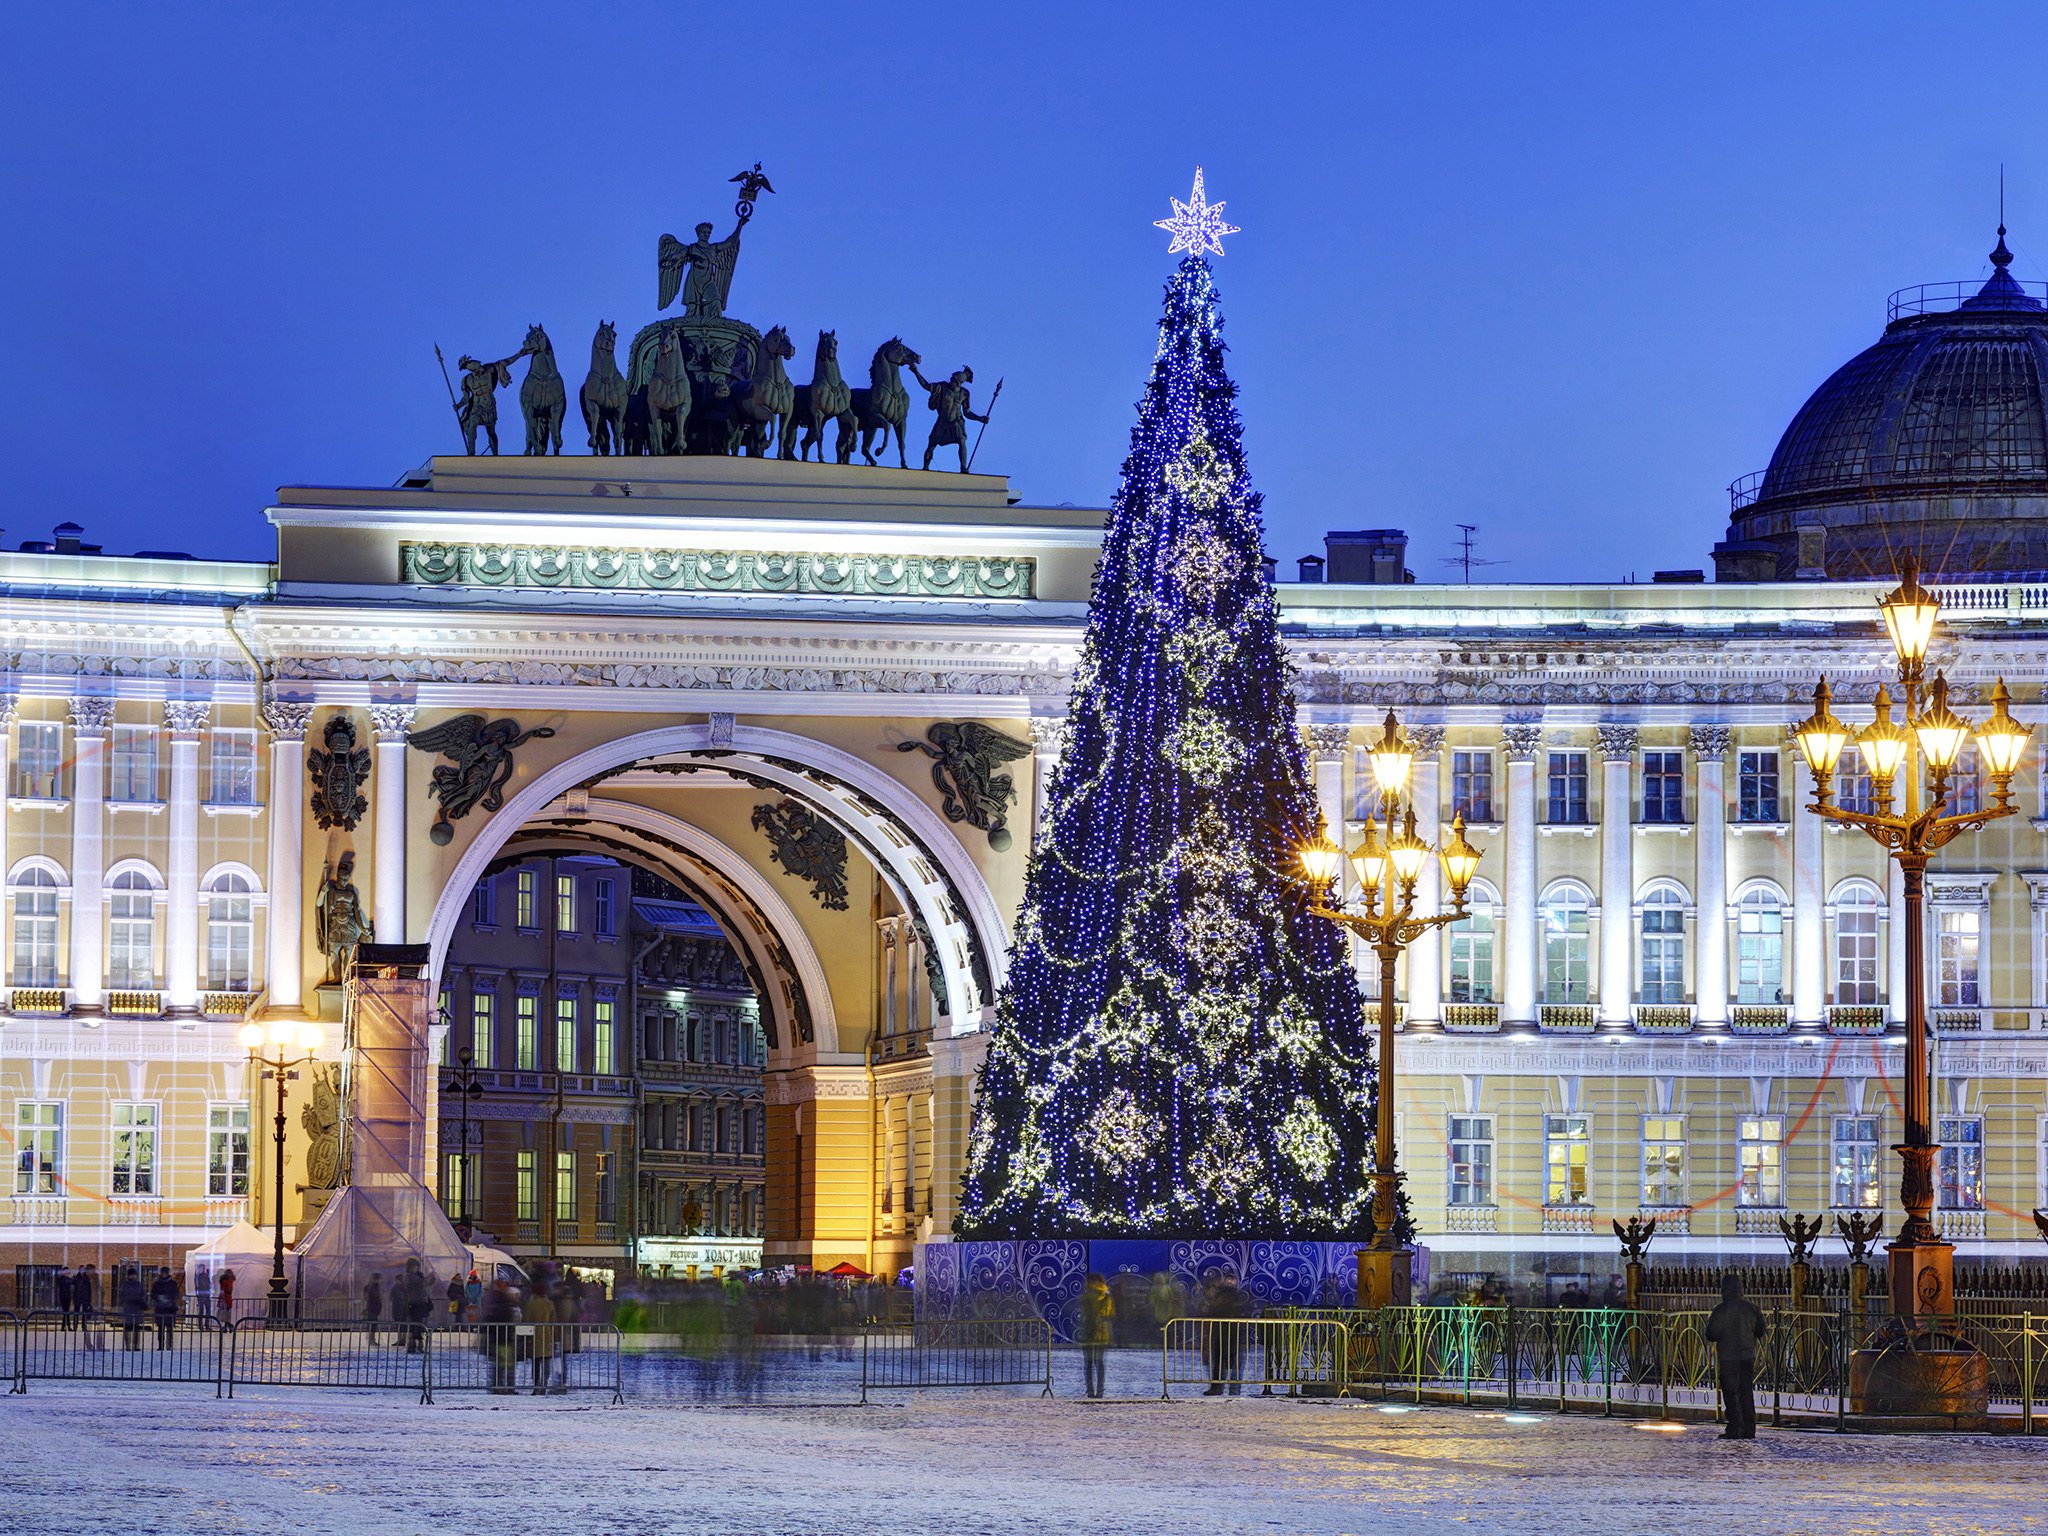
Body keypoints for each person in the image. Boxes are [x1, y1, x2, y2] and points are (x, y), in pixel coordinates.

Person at [1704, 1273, 1765, 1440]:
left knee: (1731, 1392)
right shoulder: (1751, 1308)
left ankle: (1734, 1428)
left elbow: (1711, 1334)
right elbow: (1760, 1330)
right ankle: (1749, 1429)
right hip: (1747, 1355)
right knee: (1746, 1391)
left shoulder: (1720, 1310)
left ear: (1724, 1290)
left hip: (1728, 1356)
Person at [1202, 1269, 1253, 1396]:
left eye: (1231, 1279)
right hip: (1227, 1332)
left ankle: (1220, 1387)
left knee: (1224, 1362)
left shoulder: (1222, 1295)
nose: (1230, 1281)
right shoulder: (1232, 1295)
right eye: (1228, 1279)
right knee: (1226, 1362)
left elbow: (1214, 1311)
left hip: (1227, 1332)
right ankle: (1229, 1388)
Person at [481, 1277, 519, 1394]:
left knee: (500, 1365)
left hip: (498, 1337)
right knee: (504, 1365)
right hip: (503, 1337)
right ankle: (503, 1387)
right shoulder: (502, 1302)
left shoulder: (494, 1301)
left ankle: (498, 1386)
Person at [1080, 1273, 1114, 1400]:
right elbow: (1111, 1314)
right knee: (1098, 1363)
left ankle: (1091, 1391)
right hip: (1101, 1333)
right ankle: (1099, 1392)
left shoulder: (1087, 1296)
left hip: (1091, 1332)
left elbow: (1086, 1314)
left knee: (1089, 1363)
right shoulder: (1106, 1296)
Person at [525, 1276, 560, 1394]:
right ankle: (544, 1386)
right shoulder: (549, 1304)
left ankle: (536, 1386)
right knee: (546, 1365)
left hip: (534, 1337)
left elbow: (526, 1321)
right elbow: (554, 1322)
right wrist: (556, 1339)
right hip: (547, 1336)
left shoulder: (530, 1304)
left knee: (535, 1365)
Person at [150, 1267, 180, 1349]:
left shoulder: (172, 1283)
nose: (164, 1274)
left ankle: (169, 1345)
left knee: (169, 1328)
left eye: (165, 1273)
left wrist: (169, 1299)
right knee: (161, 1328)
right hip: (161, 1309)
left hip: (170, 1309)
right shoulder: (157, 1284)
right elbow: (152, 1294)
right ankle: (161, 1345)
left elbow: (176, 1294)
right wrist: (159, 1298)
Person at [117, 1267, 147, 1351]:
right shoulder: (126, 1285)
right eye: (132, 1275)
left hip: (136, 1309)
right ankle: (128, 1346)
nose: (133, 1277)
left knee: (136, 1328)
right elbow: (123, 1296)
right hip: (129, 1309)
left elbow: (143, 1295)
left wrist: (141, 1302)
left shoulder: (138, 1285)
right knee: (128, 1328)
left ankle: (135, 1345)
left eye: (134, 1275)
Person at [75, 1263, 102, 1351]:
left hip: (97, 1306)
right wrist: (87, 1305)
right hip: (89, 1306)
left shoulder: (96, 1278)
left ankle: (99, 1345)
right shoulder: (85, 1280)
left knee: (99, 1327)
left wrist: (100, 1302)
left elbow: (100, 1291)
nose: (94, 1272)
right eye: (92, 1270)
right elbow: (83, 1293)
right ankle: (89, 1345)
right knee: (89, 1327)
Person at [362, 1273, 384, 1344]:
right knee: (372, 1324)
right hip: (372, 1307)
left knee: (373, 1324)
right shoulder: (371, 1287)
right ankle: (371, 1339)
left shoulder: (375, 1287)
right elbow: (367, 1298)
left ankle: (372, 1339)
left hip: (374, 1307)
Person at [53, 1265, 74, 1331]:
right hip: (63, 1297)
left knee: (66, 1312)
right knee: (66, 1312)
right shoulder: (60, 1279)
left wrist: (71, 1278)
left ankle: (64, 1326)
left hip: (68, 1297)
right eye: (65, 1271)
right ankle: (67, 1326)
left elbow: (74, 1283)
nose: (66, 1273)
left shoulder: (69, 1279)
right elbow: (60, 1284)